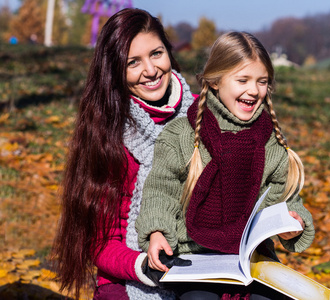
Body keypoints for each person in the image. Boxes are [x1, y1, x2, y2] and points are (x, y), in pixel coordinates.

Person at [136, 31, 315, 299]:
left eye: (262, 81)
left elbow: (283, 197)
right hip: (194, 258)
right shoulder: (181, 136)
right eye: (242, 80)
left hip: (251, 259)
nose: (253, 90)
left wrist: (292, 223)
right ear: (216, 81)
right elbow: (161, 190)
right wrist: (157, 231)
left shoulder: (271, 141)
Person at [51, 8, 196, 300]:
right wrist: (144, 266)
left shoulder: (202, 118)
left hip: (198, 266)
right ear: (115, 70)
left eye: (156, 53)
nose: (151, 70)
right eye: (133, 62)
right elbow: (100, 242)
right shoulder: (110, 137)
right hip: (131, 273)